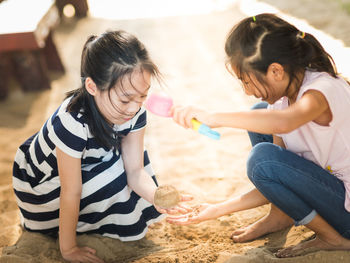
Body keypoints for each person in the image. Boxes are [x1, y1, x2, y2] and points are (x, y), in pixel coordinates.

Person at [167, 13, 350, 258]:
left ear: (276, 71)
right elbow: (274, 176)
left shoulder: (322, 90)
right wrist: (216, 209)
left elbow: (284, 126)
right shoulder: (281, 102)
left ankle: (332, 238)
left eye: (247, 81)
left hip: (346, 211)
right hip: (331, 193)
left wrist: (215, 117)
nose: (247, 91)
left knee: (262, 155)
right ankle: (280, 215)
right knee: (258, 120)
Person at [13, 30, 190, 263]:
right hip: (43, 188)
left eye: (142, 97)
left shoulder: (135, 112)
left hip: (85, 170)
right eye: (125, 99)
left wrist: (155, 197)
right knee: (114, 173)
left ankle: (95, 219)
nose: (134, 108)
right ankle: (73, 230)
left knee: (130, 163)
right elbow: (70, 191)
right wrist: (68, 249)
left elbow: (136, 171)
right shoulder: (72, 121)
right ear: (92, 86)